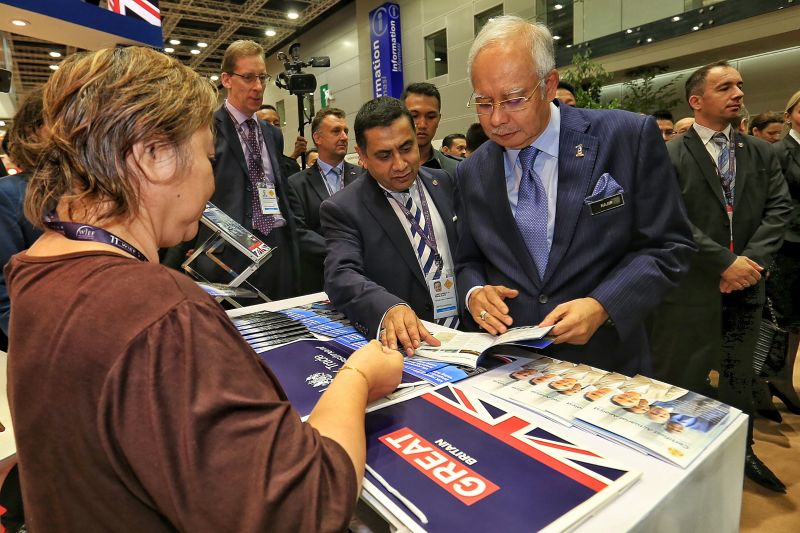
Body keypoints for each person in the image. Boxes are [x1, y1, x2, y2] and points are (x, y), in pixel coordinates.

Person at [6, 46, 403, 530]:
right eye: (207, 158)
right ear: (154, 155)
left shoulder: (38, 263)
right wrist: (358, 376)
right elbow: (304, 507)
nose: (210, 181)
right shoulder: (162, 313)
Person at [456, 16, 695, 375]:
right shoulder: (471, 171)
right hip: (508, 366)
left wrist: (603, 305)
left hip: (606, 363)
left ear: (549, 85)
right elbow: (467, 260)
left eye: (514, 100)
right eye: (484, 102)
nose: (496, 119)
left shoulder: (626, 137)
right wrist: (475, 292)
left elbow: (670, 245)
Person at [648, 61, 792, 493]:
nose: (738, 93)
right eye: (725, 86)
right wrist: (723, 264)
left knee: (740, 376)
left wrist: (749, 263)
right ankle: (674, 457)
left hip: (747, 286)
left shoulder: (761, 152)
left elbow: (779, 209)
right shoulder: (670, 154)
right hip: (690, 288)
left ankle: (741, 452)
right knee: (682, 375)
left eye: (739, 85)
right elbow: (668, 219)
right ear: (696, 100)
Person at [321, 97, 458, 355]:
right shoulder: (344, 207)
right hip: (410, 349)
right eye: (384, 155)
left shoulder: (444, 182)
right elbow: (341, 275)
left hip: (465, 337)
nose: (400, 164)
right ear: (362, 155)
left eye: (406, 148)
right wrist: (388, 308)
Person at [196, 40, 301, 299]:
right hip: (230, 249)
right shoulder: (207, 128)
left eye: (262, 77)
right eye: (248, 77)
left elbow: (281, 188)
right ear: (227, 80)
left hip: (277, 243)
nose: (258, 86)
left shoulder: (271, 133)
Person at [286, 108, 360, 294]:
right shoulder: (296, 184)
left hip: (363, 274)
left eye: (346, 131)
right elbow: (298, 232)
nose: (344, 137)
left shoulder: (363, 177)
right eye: (336, 131)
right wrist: (341, 250)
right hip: (319, 277)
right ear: (317, 138)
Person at [0, 87, 45, 346]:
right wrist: (33, 344)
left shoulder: (92, 190)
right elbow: (4, 291)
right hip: (37, 338)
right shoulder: (10, 194)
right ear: (32, 131)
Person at [767, 89, 800, 413]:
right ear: (789, 115)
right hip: (787, 244)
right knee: (783, 316)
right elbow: (774, 201)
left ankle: (782, 377)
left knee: (796, 318)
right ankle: (776, 379)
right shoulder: (778, 151)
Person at [402, 82, 459, 176]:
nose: (422, 125)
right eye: (414, 116)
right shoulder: (382, 169)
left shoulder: (455, 171)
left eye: (431, 117)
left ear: (439, 119)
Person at [257, 103, 307, 176]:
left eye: (276, 124)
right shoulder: (247, 162)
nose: (273, 127)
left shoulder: (291, 166)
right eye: (266, 123)